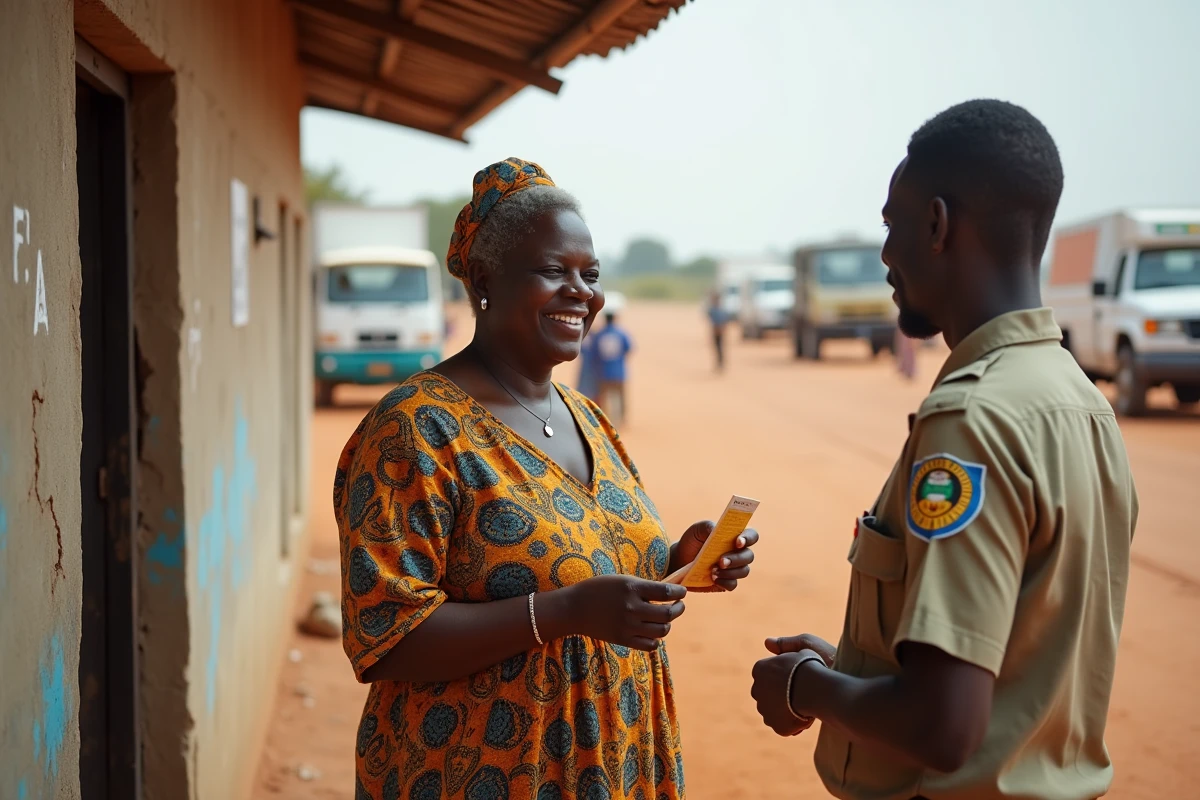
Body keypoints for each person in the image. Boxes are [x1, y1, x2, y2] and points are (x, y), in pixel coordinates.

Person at [335, 158, 758, 800]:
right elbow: (385, 638)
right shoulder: (416, 430)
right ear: (483, 281)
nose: (580, 292)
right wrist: (565, 612)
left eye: (590, 274)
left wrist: (677, 563)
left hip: (614, 765)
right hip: (479, 774)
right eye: (552, 271)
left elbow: (587, 564)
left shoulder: (587, 417)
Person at [750, 100, 1137, 800]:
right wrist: (847, 671)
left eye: (892, 226)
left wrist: (806, 688)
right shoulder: (1079, 401)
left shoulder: (969, 419)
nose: (886, 255)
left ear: (936, 224)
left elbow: (943, 728)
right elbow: (1012, 668)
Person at [590, 306, 633, 425]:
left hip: (603, 372)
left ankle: (606, 420)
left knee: (604, 397)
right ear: (614, 318)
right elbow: (628, 348)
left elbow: (594, 353)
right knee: (621, 396)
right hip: (619, 371)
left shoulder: (599, 334)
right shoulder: (621, 333)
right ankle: (622, 419)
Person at [706, 290, 729, 371]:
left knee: (719, 348)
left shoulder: (717, 309)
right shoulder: (716, 309)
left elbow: (724, 320)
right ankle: (719, 363)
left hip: (719, 330)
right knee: (718, 347)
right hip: (716, 330)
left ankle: (720, 363)